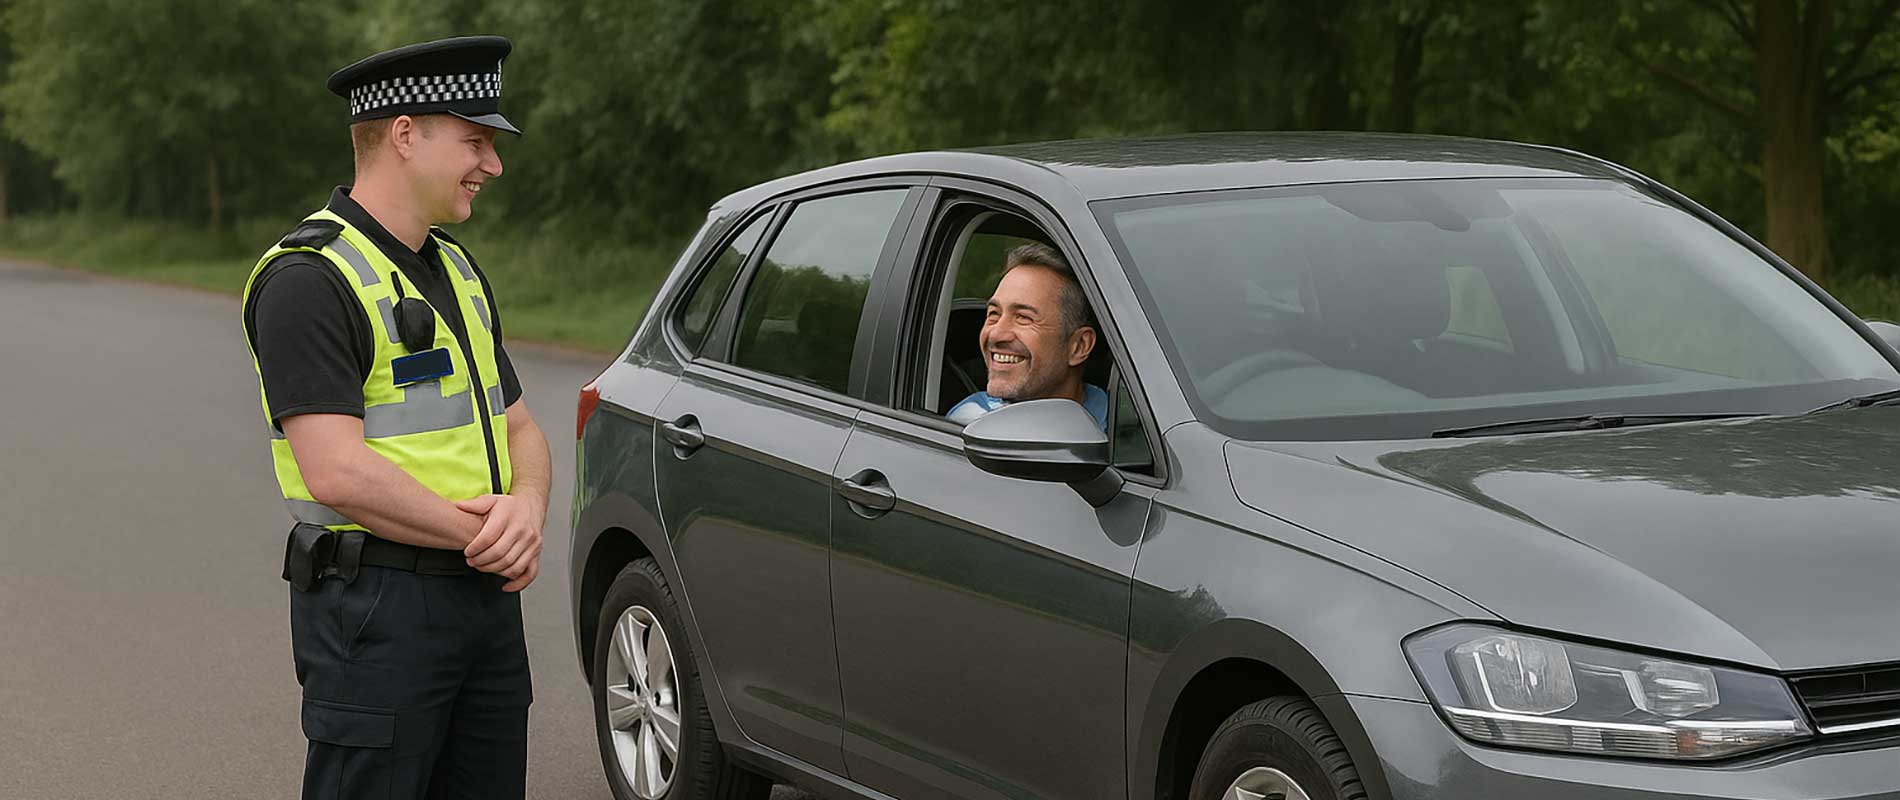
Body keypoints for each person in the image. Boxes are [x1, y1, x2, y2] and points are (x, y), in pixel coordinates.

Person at [237, 35, 551, 800]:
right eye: (475, 140)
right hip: (377, 610)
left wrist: (529, 510)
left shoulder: (458, 268)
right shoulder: (309, 279)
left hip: (482, 604)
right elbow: (335, 470)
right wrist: (486, 534)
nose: (494, 163)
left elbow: (520, 429)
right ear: (405, 133)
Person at [948, 243, 1110, 429]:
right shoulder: (969, 422)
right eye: (994, 314)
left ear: (1079, 345)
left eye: (1023, 318)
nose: (996, 333)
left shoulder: (1126, 429)